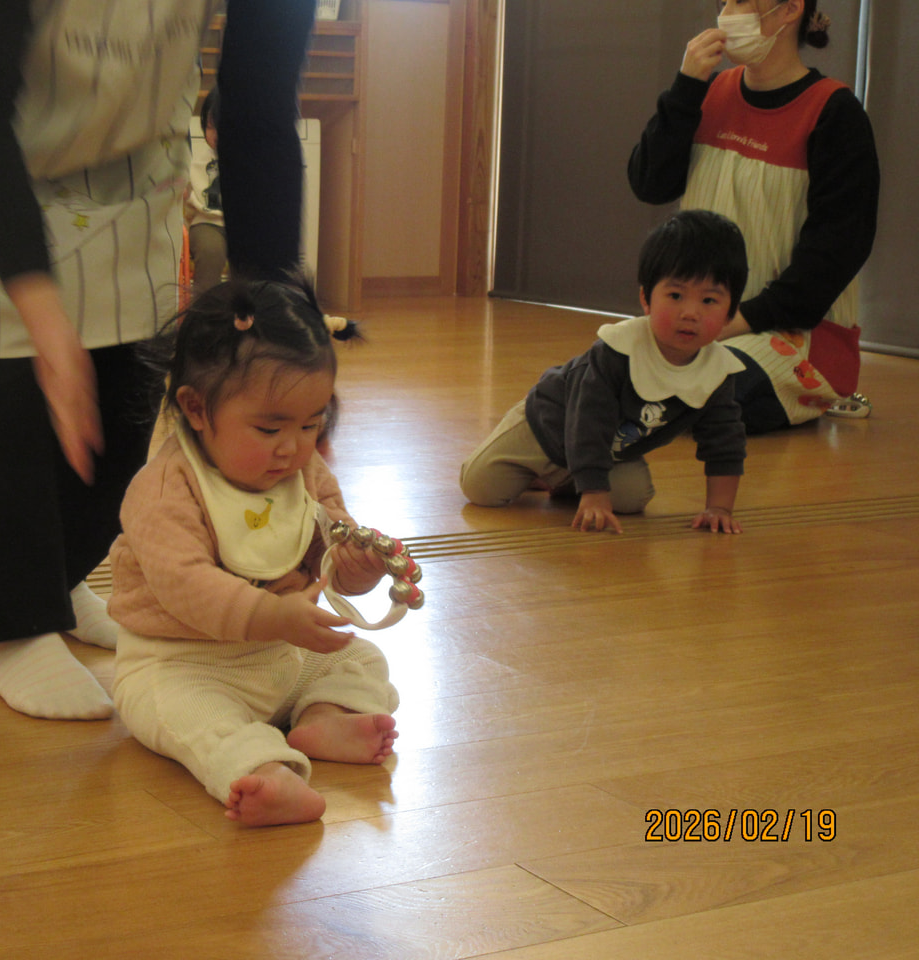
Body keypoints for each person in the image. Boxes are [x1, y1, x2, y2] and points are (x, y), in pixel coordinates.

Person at [0, 0, 317, 719]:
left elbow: (259, 107)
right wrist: (42, 313)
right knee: (4, 334)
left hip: (121, 117)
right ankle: (14, 628)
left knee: (128, 355)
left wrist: (274, 327)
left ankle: (57, 577)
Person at [108, 278, 399, 826]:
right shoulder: (165, 489)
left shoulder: (305, 471)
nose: (293, 447)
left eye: (312, 424)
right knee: (184, 714)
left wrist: (356, 566)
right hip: (183, 662)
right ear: (196, 408)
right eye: (269, 428)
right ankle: (261, 768)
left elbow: (328, 548)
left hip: (284, 653)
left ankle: (323, 717)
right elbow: (185, 583)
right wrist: (269, 614)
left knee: (361, 658)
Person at [627, 0, 879, 434]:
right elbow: (650, 184)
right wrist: (685, 88)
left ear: (789, 10)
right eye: (725, 1)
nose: (728, 11)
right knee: (605, 370)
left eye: (743, 0)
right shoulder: (708, 92)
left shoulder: (835, 113)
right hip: (700, 320)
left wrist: (729, 322)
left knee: (701, 395)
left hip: (793, 334)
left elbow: (837, 251)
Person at [459, 210, 749, 535]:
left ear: (730, 313)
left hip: (607, 450)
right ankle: (553, 473)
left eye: (709, 300)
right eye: (675, 296)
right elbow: (588, 422)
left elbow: (725, 443)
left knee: (632, 498)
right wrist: (595, 494)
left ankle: (570, 478)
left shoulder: (718, 372)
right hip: (548, 426)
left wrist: (719, 508)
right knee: (481, 488)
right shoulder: (617, 351)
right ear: (646, 299)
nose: (690, 313)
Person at [185, 85, 228, 298]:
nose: (217, 134)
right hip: (207, 223)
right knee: (210, 251)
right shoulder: (197, 159)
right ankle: (205, 309)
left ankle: (247, 309)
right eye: (210, 127)